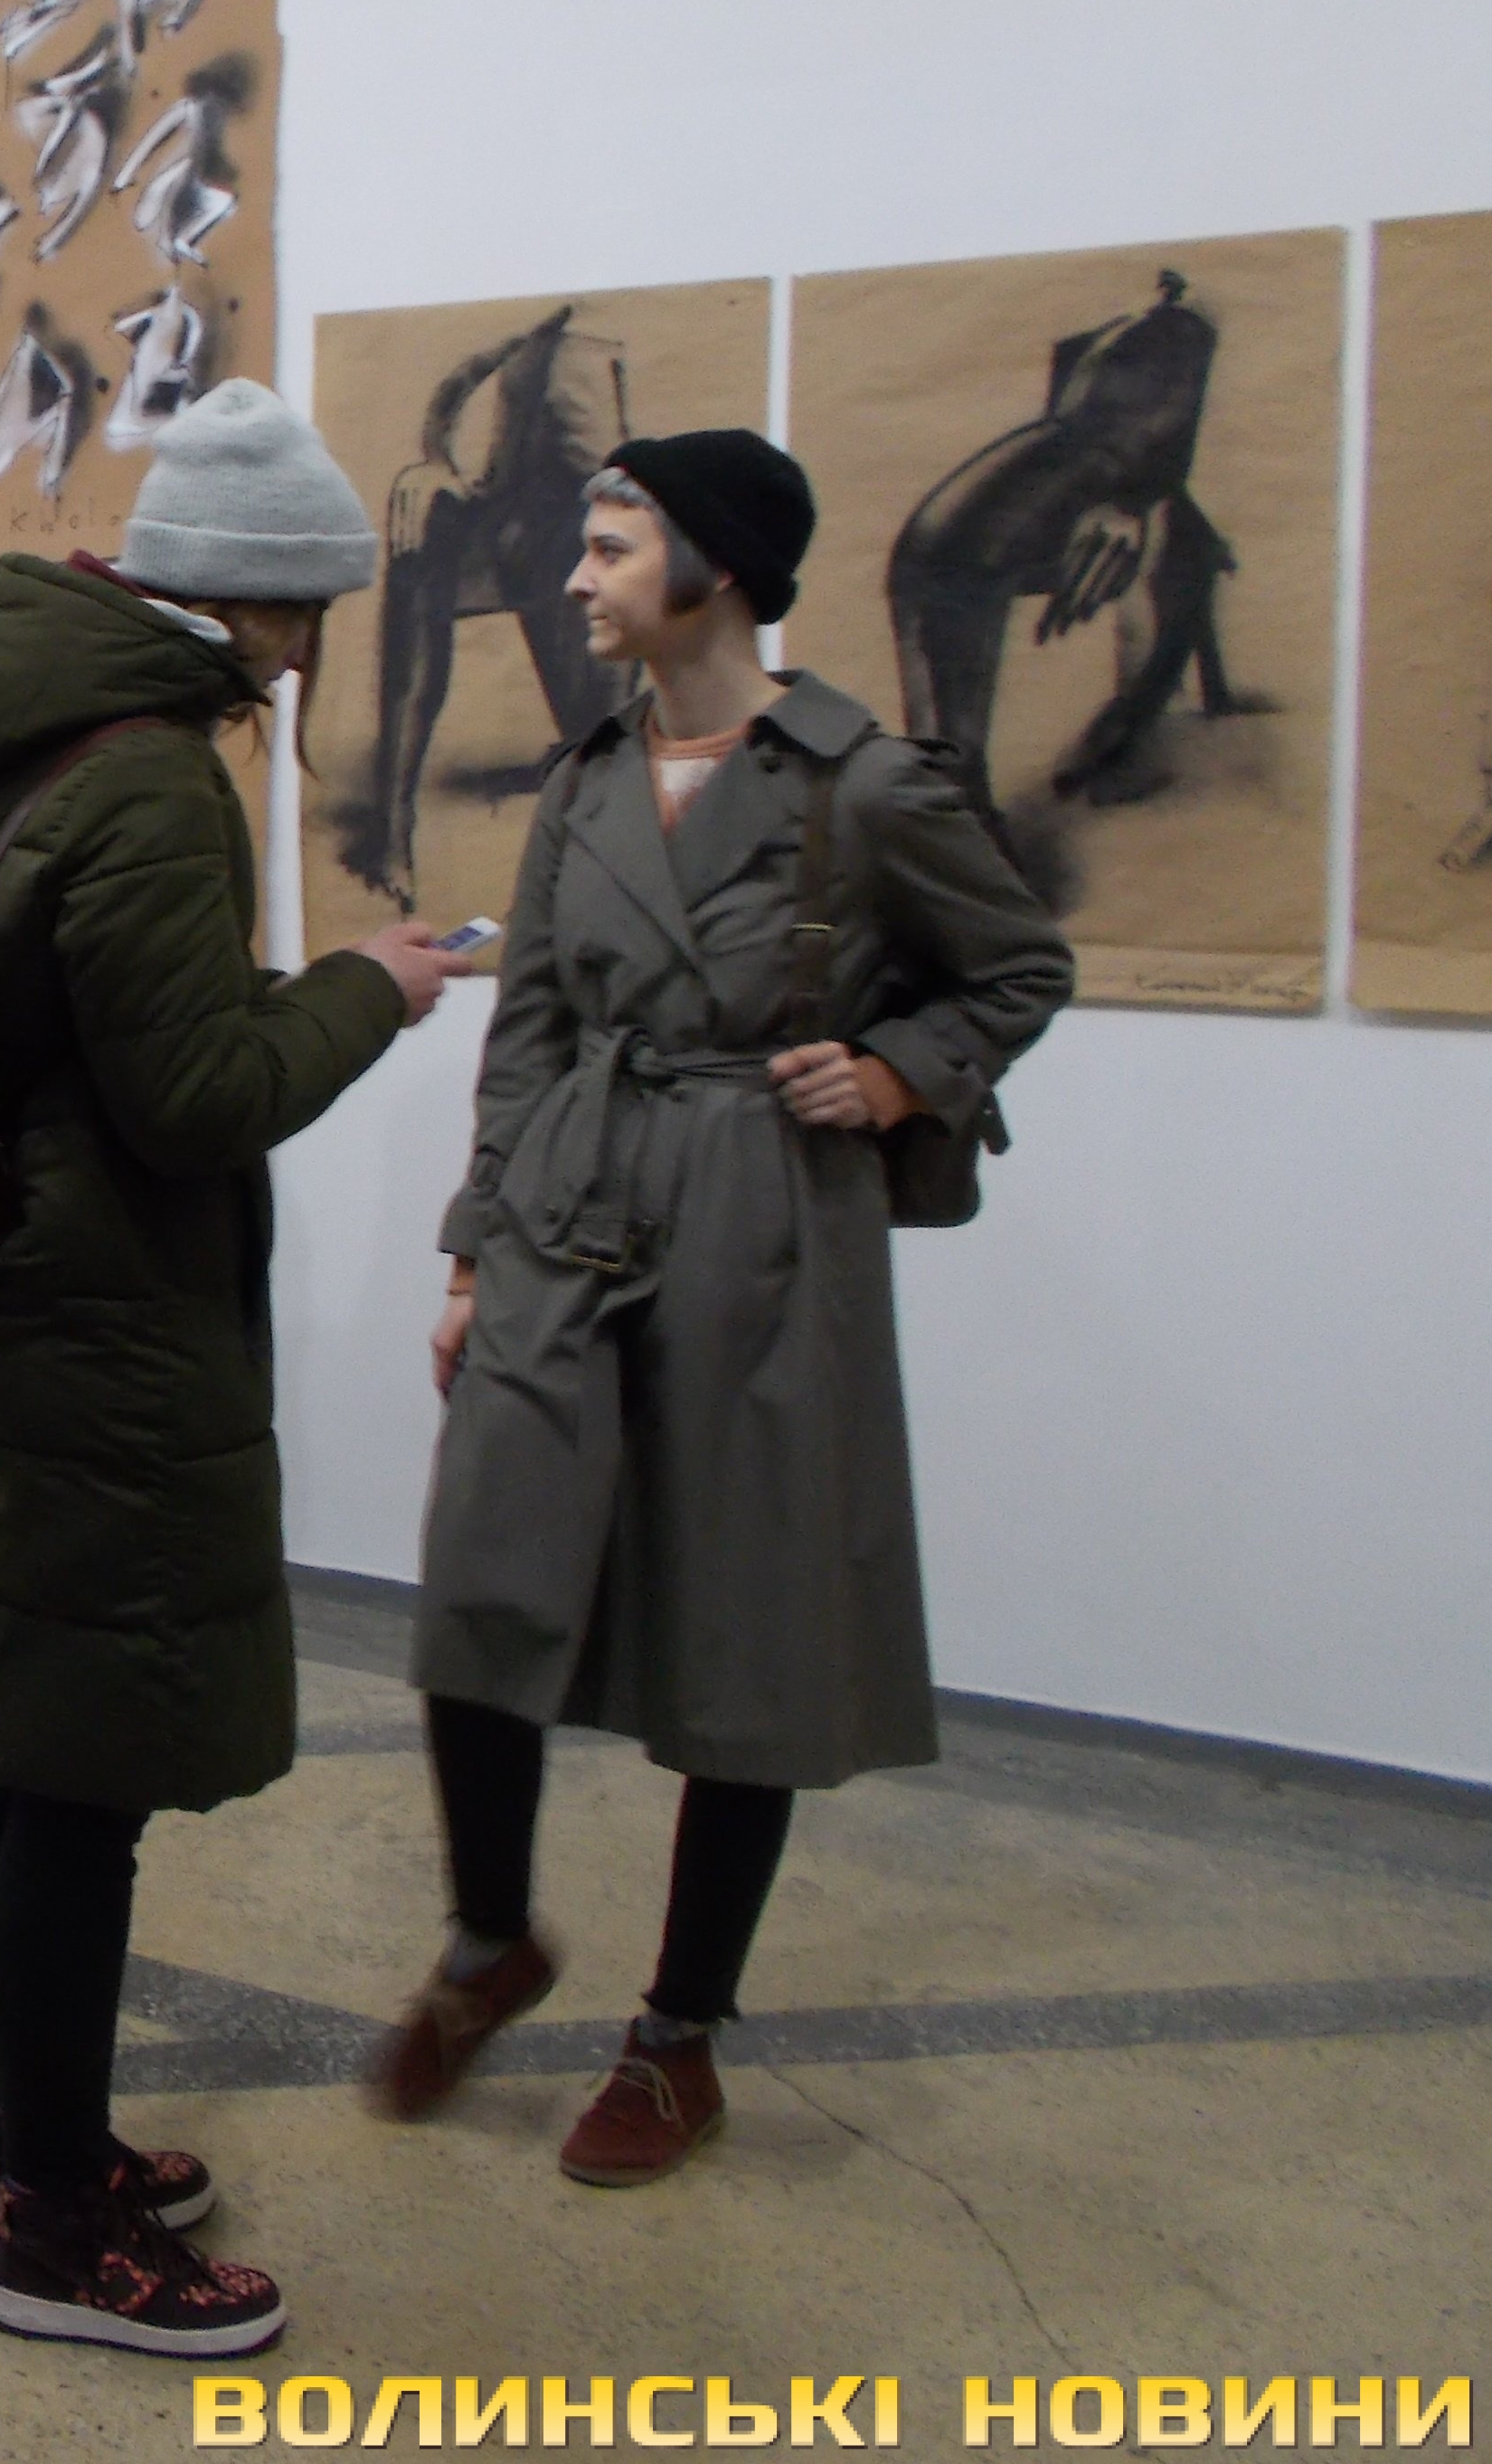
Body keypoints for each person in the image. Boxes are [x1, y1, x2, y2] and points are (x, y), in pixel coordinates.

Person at [376, 430, 1072, 2183]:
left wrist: (900, 1073)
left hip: (763, 1210)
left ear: (719, 570)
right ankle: (488, 1938)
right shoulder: (588, 776)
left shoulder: (866, 782)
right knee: (481, 1578)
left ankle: (678, 2037)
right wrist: (470, 1256)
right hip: (573, 1194)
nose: (575, 576)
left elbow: (1018, 964)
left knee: (750, 1628)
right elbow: (531, 1027)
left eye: (610, 546)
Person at [0, 382, 467, 2357]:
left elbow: (92, 1037)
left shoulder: (20, 740)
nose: (306, 655)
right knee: (81, 1779)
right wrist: (369, 992)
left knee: (21, 1739)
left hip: (19, 1294)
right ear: (243, 599)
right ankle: (62, 2236)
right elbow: (195, 1099)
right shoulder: (146, 778)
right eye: (302, 613)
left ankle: (18, 2141)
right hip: (107, 1326)